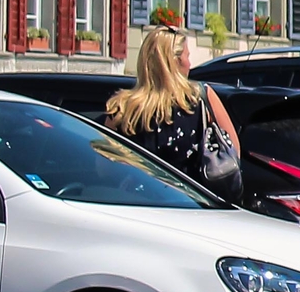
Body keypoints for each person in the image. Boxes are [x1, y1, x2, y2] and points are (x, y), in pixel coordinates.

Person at [104, 25, 242, 200]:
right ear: (175, 61)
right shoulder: (200, 97)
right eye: (187, 56)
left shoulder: (123, 107)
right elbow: (233, 149)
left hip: (138, 202)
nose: (190, 64)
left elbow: (105, 167)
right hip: (194, 202)